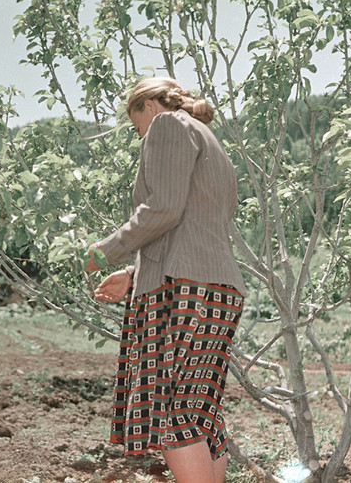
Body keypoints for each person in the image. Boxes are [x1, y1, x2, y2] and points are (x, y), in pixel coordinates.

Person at [86, 77, 247, 483]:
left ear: (149, 108)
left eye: (136, 125)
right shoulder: (209, 138)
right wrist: (133, 273)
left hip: (184, 290)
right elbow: (193, 223)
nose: (141, 135)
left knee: (174, 412)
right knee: (199, 409)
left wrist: (104, 251)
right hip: (218, 290)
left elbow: (162, 209)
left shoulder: (167, 125)